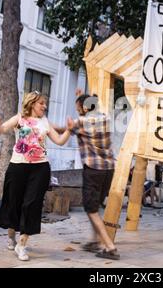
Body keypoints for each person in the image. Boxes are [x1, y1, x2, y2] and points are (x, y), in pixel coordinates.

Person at [0, 91, 71, 262]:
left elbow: (59, 141)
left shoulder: (45, 122)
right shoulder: (19, 118)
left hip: (40, 168)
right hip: (17, 166)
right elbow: (2, 130)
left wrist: (69, 130)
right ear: (32, 103)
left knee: (32, 204)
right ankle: (11, 235)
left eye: (45, 103)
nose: (45, 106)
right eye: (41, 103)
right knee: (14, 203)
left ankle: (22, 243)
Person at [66, 91, 119, 260]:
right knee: (95, 206)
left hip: (94, 170)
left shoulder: (81, 122)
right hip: (108, 170)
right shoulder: (105, 118)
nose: (78, 111)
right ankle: (95, 241)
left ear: (85, 107)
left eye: (78, 108)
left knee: (91, 209)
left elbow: (64, 130)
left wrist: (51, 126)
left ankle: (109, 247)